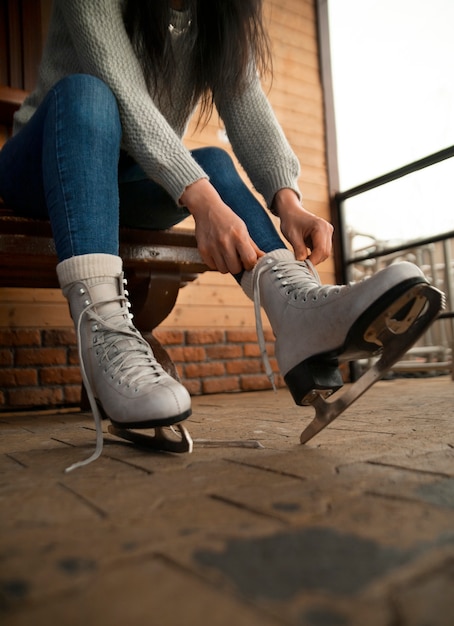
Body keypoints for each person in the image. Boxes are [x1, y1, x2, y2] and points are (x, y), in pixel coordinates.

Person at [0, 0, 433, 469]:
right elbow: (122, 89)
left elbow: (246, 101)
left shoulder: (219, 13)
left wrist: (288, 200)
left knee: (215, 162)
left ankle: (299, 316)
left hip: (130, 181)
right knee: (87, 93)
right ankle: (104, 332)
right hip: (47, 169)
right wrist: (202, 201)